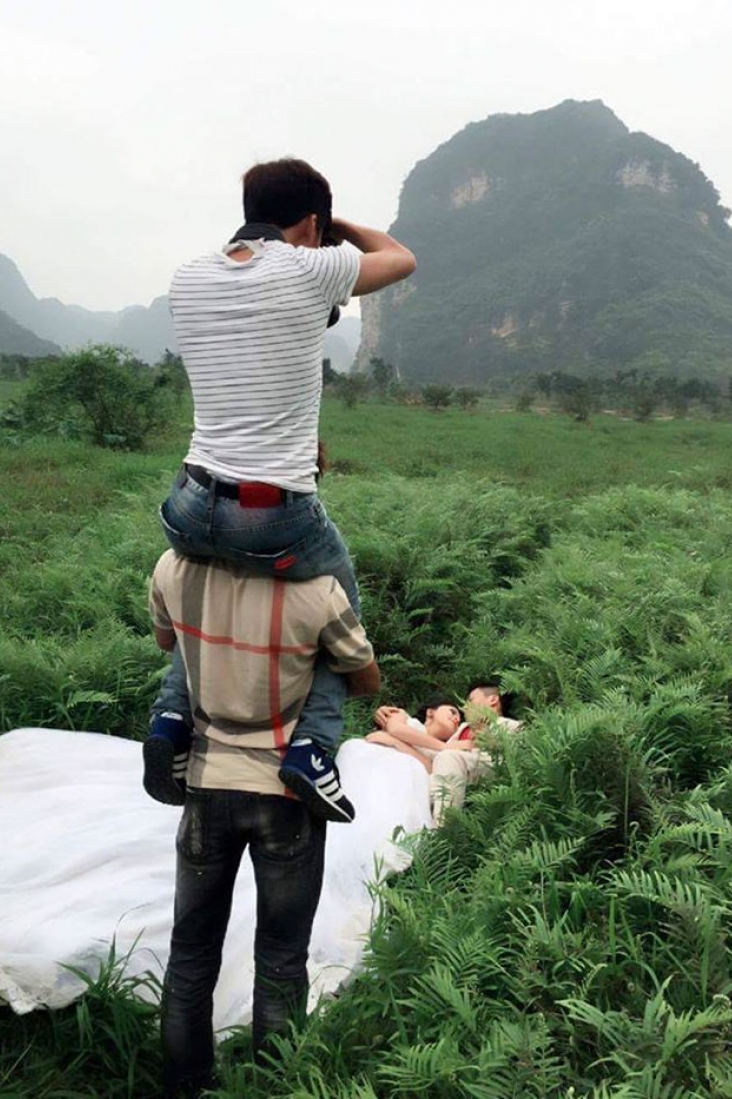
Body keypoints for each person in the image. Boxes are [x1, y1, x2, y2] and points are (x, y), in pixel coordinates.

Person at [143, 158, 416, 822]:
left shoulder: (189, 275)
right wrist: (339, 229)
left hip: (186, 505)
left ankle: (171, 716)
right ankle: (313, 751)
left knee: (199, 595)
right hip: (270, 516)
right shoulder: (309, 265)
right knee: (336, 613)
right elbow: (400, 259)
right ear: (312, 225)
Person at [148, 548, 380, 1098]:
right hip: (284, 797)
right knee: (280, 958)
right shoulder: (319, 589)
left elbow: (168, 641)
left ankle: (187, 1088)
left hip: (206, 786)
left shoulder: (174, 568)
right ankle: (275, 1088)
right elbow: (366, 678)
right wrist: (318, 655)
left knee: (190, 955)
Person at [367, 684, 519, 825]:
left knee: (446, 759)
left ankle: (443, 833)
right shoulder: (458, 733)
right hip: (438, 777)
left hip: (488, 771)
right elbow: (434, 760)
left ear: (492, 700)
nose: (464, 708)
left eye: (470, 700)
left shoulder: (509, 726)